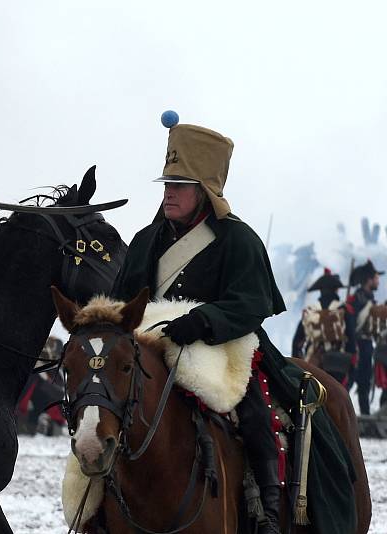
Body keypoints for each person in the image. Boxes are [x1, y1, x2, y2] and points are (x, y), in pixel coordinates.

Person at [111, 112, 355, 533]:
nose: (169, 194)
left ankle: (266, 509)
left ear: (204, 191)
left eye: (180, 186)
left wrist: (203, 320)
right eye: (167, 185)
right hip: (153, 343)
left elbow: (249, 304)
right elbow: (123, 300)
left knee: (256, 413)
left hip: (221, 345)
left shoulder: (238, 239)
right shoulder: (145, 241)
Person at [346, 259, 383, 414]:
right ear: (369, 280)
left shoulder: (368, 299)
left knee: (365, 383)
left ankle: (366, 414)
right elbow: (351, 325)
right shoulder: (357, 300)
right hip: (357, 345)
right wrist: (354, 347)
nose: (378, 281)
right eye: (376, 278)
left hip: (367, 345)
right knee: (352, 381)